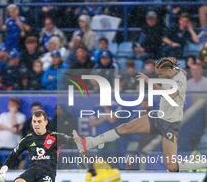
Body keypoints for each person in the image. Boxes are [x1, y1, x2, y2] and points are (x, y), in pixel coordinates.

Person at [73, 57, 207, 172]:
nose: (160, 75)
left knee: (171, 166)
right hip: (159, 118)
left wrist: (149, 81)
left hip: (170, 125)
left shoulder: (180, 81)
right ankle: (89, 143)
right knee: (125, 127)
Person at [0, 97, 26, 169]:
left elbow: (16, 130)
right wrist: (11, 129)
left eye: (13, 105)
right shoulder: (3, 115)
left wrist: (12, 114)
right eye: (10, 104)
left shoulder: (21, 116)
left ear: (18, 106)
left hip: (12, 145)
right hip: (0, 145)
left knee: (10, 167)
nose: (11, 107)